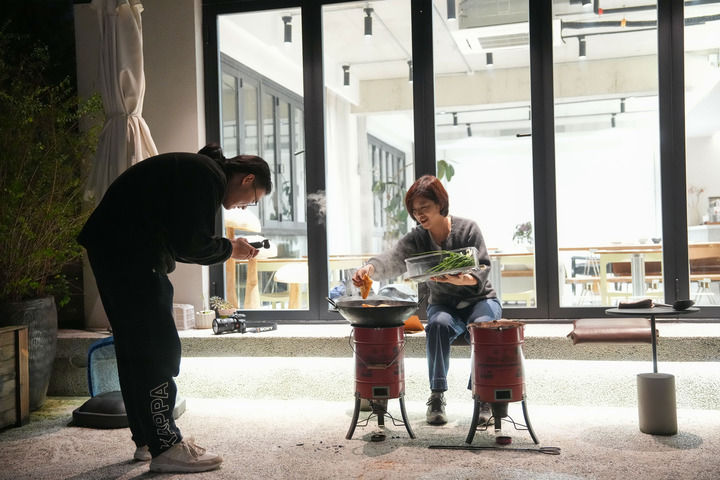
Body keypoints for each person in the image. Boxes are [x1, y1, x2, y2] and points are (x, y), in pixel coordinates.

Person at [78, 144, 271, 473]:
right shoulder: (207, 175)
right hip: (132, 255)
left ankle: (148, 439)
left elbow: (180, 241)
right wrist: (229, 249)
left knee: (135, 349)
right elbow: (191, 244)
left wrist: (226, 248)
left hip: (115, 251)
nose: (244, 206)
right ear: (247, 179)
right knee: (157, 349)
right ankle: (166, 445)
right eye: (252, 199)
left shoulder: (196, 171)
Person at [352, 174, 501, 426]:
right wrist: (369, 268)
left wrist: (459, 279)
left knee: (483, 326)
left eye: (425, 207)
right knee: (438, 325)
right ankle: (437, 395)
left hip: (480, 299)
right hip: (443, 304)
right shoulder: (418, 238)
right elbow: (392, 258)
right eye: (414, 210)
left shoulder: (468, 229)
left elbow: (483, 267)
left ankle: (483, 397)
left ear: (440, 204)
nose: (419, 214)